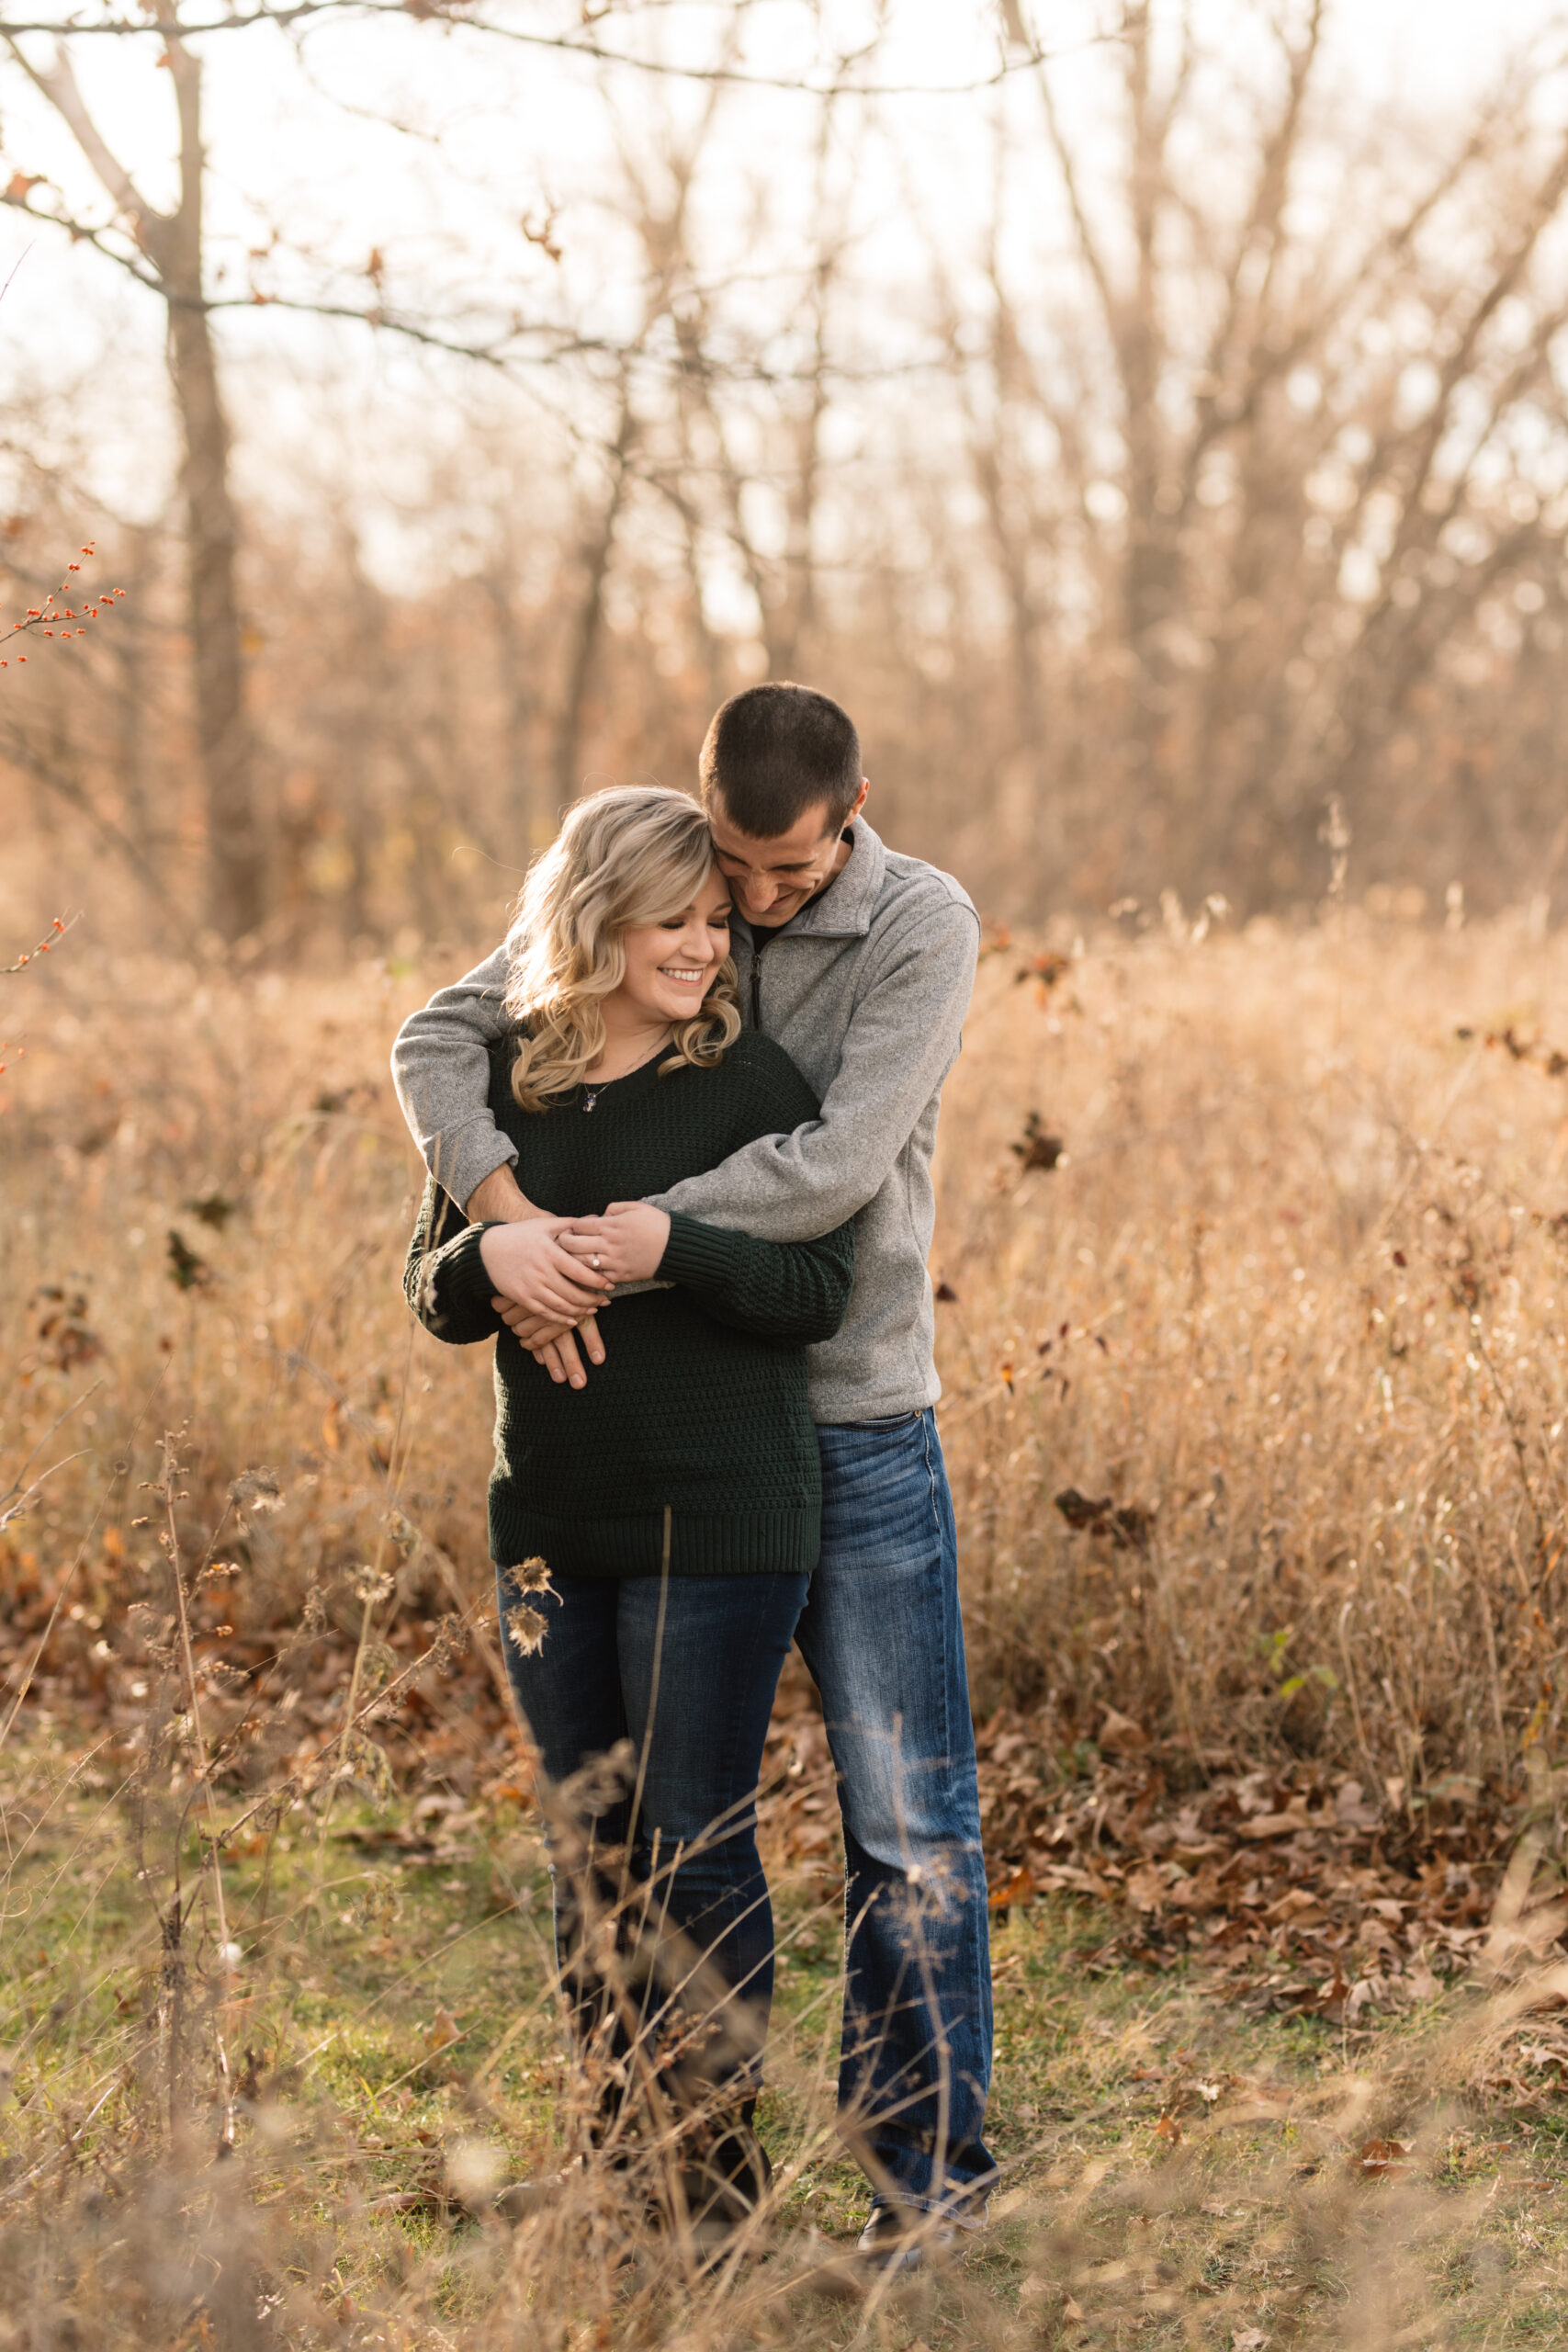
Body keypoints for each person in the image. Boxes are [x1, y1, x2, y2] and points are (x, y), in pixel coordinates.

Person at [392, 682, 995, 2267]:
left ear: (856, 807)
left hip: (847, 1422)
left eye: (786, 878)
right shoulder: (674, 874)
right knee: (617, 1831)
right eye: (734, 870)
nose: (751, 906)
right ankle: (650, 2165)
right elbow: (448, 1028)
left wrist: (630, 1241)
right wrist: (506, 1220)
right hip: (613, 1459)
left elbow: (839, 1168)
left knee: (903, 1823)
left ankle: (926, 2192)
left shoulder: (920, 926)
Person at [402, 784, 854, 2235]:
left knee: (692, 1837)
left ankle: (715, 2193)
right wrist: (499, 1262)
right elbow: (432, 1287)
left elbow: (816, 1291)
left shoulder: (752, 1086)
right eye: (678, 920)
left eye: (717, 922)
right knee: (589, 1843)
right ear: (597, 918)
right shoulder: (506, 1094)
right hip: (551, 1522)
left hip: (722, 1516)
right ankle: (619, 2167)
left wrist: (669, 1251)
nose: (706, 948)